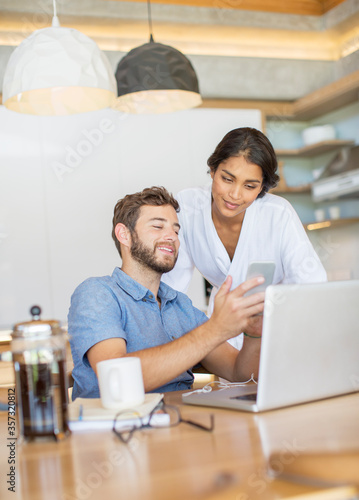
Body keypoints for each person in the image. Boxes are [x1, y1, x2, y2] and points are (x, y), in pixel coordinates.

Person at [68, 186, 266, 400]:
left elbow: (241, 374)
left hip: (180, 423)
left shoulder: (180, 305)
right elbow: (117, 380)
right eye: (157, 226)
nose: (172, 237)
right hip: (118, 427)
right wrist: (216, 329)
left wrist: (254, 331)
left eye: (176, 230)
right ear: (124, 234)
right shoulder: (98, 293)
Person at [162, 127, 327, 348]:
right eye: (227, 179)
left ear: (262, 188)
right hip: (222, 328)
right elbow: (171, 288)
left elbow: (312, 286)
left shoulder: (278, 214)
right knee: (231, 382)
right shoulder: (189, 207)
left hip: (279, 327)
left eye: (250, 186)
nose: (235, 195)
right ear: (212, 170)